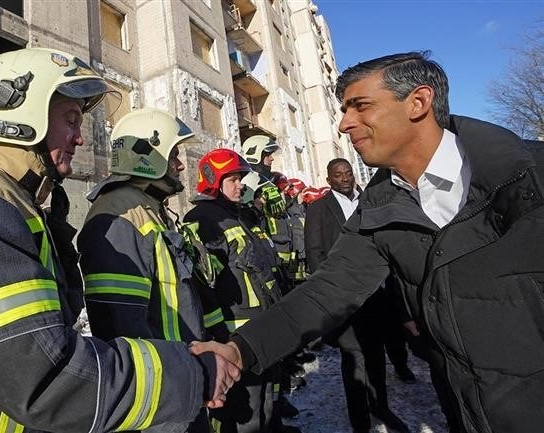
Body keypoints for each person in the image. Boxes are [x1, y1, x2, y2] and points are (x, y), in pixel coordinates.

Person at [0, 48, 239, 433]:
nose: (79, 139)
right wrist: (193, 375)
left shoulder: (15, 202)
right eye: (70, 119)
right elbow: (45, 378)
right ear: (24, 115)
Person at [191, 51, 544, 433]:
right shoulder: (378, 205)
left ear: (418, 102)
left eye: (360, 106)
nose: (344, 124)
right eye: (343, 109)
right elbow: (328, 290)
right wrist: (239, 349)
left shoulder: (529, 177)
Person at [77, 107, 210, 433]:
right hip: (163, 396)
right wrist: (168, 389)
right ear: (149, 157)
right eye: (173, 155)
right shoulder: (119, 214)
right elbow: (121, 326)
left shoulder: (149, 209)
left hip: (182, 375)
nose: (180, 165)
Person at [305, 158, 409, 433]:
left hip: (376, 294)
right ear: (329, 180)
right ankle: (360, 421)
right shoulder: (318, 210)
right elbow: (315, 253)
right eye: (338, 175)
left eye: (348, 172)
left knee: (376, 355)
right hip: (344, 298)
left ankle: (381, 407)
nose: (345, 178)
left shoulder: (370, 201)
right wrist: (328, 293)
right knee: (354, 359)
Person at [184, 149, 284, 433]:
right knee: (244, 412)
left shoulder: (241, 216)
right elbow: (205, 285)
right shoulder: (203, 219)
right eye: (232, 179)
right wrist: (221, 336)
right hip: (235, 334)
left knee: (266, 401)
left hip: (262, 324)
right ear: (213, 179)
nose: (240, 184)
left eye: (240, 178)